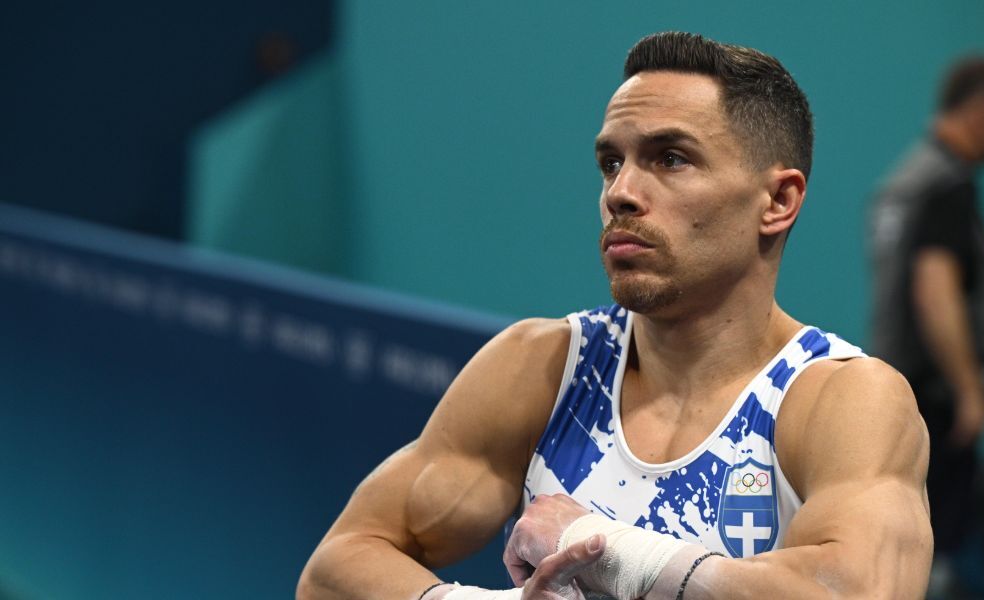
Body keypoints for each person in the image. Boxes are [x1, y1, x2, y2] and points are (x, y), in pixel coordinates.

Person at [299, 32, 932, 600]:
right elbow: (333, 571)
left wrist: (600, 547)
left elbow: (862, 593)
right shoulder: (544, 369)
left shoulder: (838, 400)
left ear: (778, 201)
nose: (620, 192)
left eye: (671, 158)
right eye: (611, 162)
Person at [867, 56, 984, 584]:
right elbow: (935, 290)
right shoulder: (947, 187)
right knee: (933, 556)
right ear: (980, 112)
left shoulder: (905, 182)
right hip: (937, 403)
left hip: (902, 390)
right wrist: (970, 391)